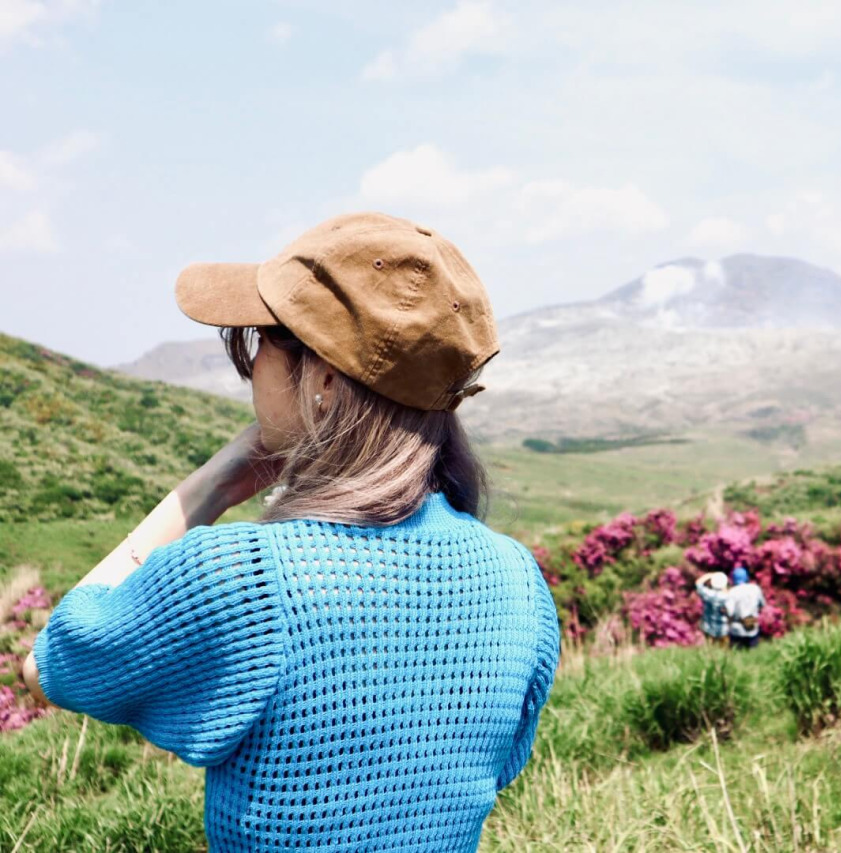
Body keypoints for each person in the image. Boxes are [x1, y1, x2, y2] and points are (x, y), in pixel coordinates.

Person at [20, 212, 561, 852]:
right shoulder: (518, 580)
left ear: (324, 381)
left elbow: (53, 663)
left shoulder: (245, 577)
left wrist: (208, 488)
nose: (250, 374)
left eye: (258, 348)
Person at [725, 565, 767, 650]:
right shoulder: (755, 589)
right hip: (752, 626)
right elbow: (762, 605)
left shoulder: (732, 592)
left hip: (737, 630)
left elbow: (729, 612)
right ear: (746, 577)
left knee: (737, 657)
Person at [694, 571, 730, 647]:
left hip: (709, 627)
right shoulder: (727, 597)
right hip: (723, 628)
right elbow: (730, 612)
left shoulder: (708, 594)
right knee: (724, 650)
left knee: (710, 649)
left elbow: (698, 583)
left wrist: (711, 575)